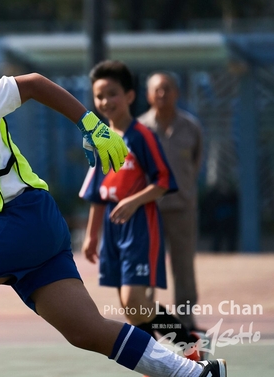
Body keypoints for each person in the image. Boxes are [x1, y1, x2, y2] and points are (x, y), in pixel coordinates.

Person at [0, 48, 226, 377]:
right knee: (87, 330)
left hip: (22, 218)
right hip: (28, 230)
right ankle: (197, 374)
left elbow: (33, 84)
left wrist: (91, 124)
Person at [79, 60, 207, 363]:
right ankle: (158, 363)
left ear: (130, 96)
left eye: (113, 94)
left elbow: (163, 181)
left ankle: (189, 347)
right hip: (112, 230)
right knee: (131, 307)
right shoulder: (98, 140)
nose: (106, 101)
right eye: (99, 96)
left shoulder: (142, 135)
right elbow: (98, 194)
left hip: (140, 225)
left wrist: (135, 200)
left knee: (135, 301)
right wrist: (91, 236)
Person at [138, 71, 203, 332]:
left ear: (176, 93)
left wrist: (183, 190)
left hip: (182, 208)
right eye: (157, 90)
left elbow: (196, 163)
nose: (162, 94)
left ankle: (186, 321)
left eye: (167, 89)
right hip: (148, 209)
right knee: (147, 266)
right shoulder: (140, 129)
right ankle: (146, 320)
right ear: (148, 95)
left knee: (183, 266)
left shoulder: (191, 127)